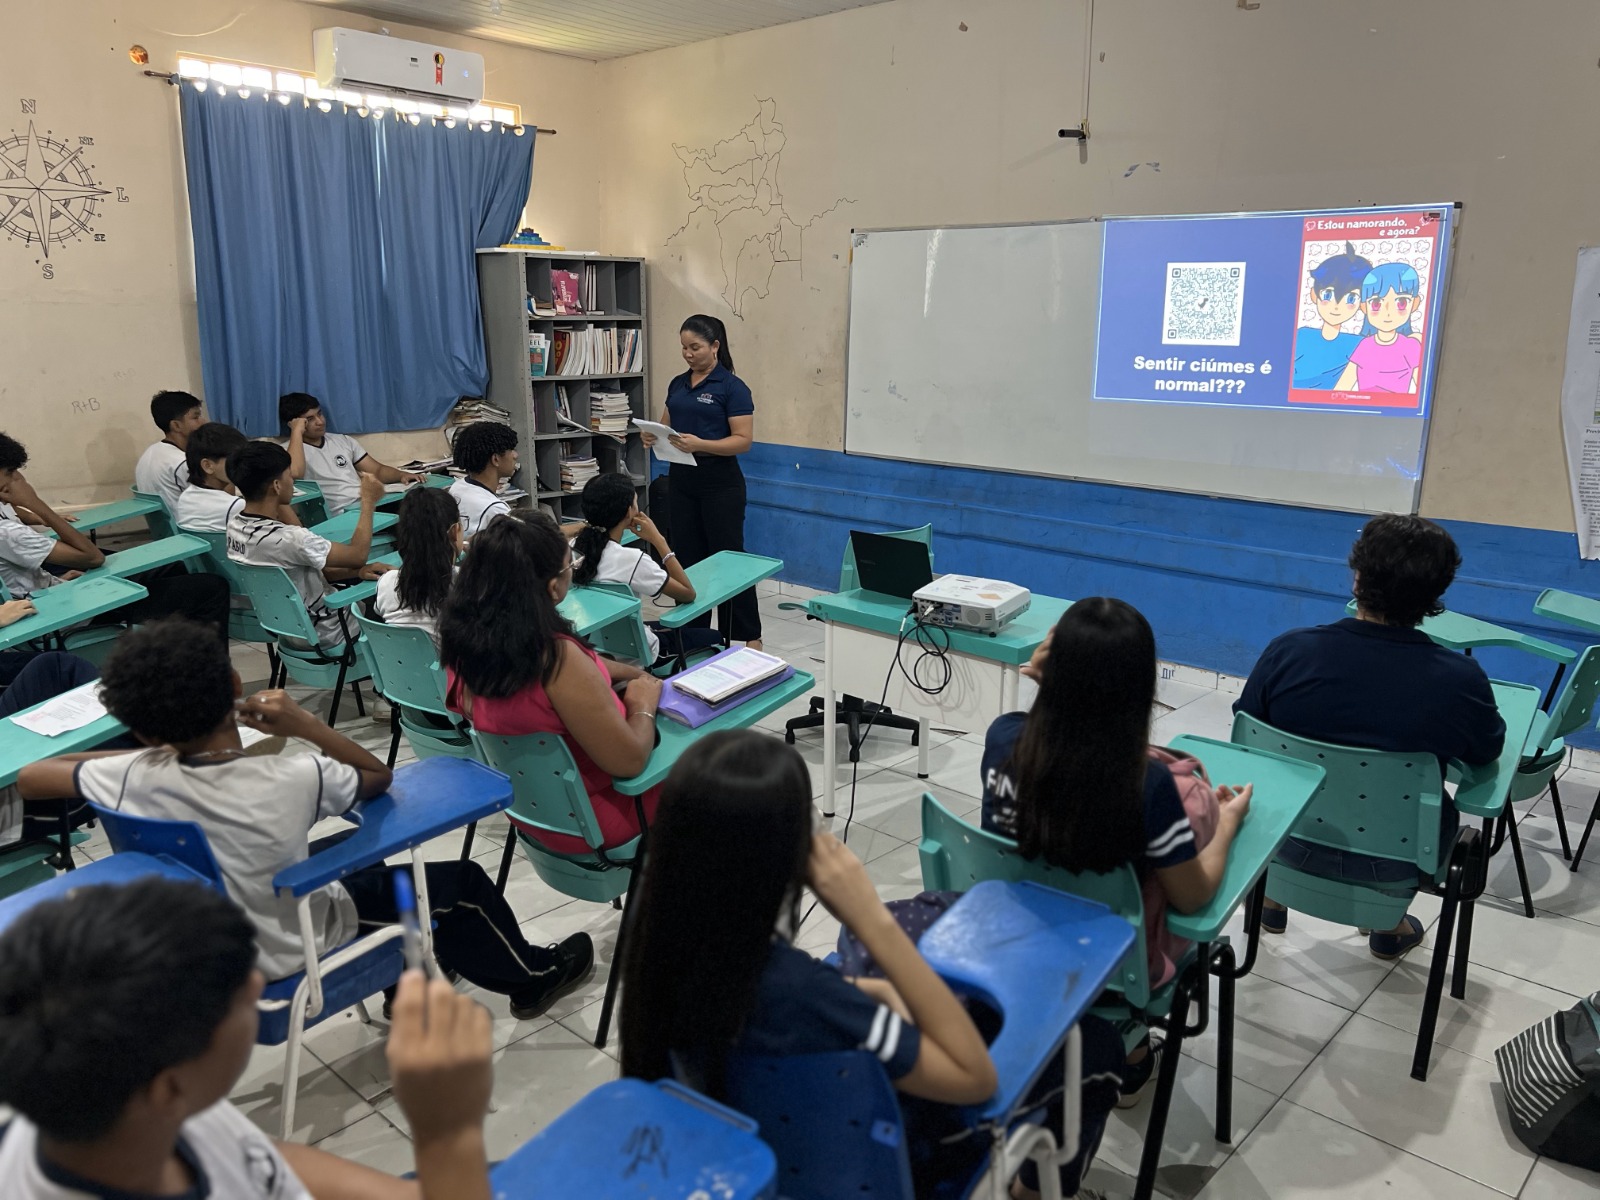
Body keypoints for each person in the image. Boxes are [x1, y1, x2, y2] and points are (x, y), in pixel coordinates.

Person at [620, 731, 1122, 1200]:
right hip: (888, 1169)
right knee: (1098, 1045)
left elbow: (804, 1011)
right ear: (785, 859)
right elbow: (975, 1079)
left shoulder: (663, 950)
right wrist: (869, 918)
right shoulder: (799, 992)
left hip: (763, 1170)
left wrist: (854, 991)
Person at [17, 619, 594, 1020]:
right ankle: (532, 978)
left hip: (201, 945)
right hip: (291, 946)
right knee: (461, 886)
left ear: (141, 729)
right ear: (236, 687)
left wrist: (152, 753)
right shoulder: (291, 778)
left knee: (357, 857)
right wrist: (306, 726)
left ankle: (408, 985)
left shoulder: (127, 776)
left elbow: (36, 775)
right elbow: (376, 778)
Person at [0, 877, 496, 1200]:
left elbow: (257, 1162)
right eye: (234, 997)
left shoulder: (116, 1103)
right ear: (168, 1088)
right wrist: (447, 1137)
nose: (257, 984)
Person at [981, 597, 1252, 1107]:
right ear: (1140, 690)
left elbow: (1043, 737)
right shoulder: (1147, 787)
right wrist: (1228, 827)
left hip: (1014, 941)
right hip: (1114, 971)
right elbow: (1193, 900)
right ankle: (1126, 1047)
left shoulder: (1003, 740)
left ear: (1047, 670)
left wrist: (1047, 682)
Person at [1235, 513, 1505, 958]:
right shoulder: (1460, 681)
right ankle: (1388, 925)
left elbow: (1247, 738)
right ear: (1436, 595)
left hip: (1282, 841)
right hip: (1396, 863)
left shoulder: (1289, 652)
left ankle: (1270, 897)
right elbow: (1486, 752)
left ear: (1357, 579)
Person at [440, 512, 663, 856]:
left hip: (533, 812)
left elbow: (564, 672)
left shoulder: (467, 644)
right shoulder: (558, 659)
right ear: (552, 586)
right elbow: (629, 761)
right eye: (569, 566)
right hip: (599, 819)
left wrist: (630, 673)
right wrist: (643, 704)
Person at [0, 432, 230, 641]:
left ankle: (173, 655)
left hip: (51, 594)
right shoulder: (7, 533)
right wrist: (37, 505)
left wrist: (52, 582)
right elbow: (93, 558)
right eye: (10, 473)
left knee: (172, 569)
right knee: (212, 588)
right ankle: (212, 674)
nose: (19, 478)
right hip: (64, 614)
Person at [639, 314, 762, 649]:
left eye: (695, 347)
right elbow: (667, 424)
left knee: (729, 560)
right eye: (683, 347)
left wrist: (701, 444)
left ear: (715, 346)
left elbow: (743, 440)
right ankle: (693, 635)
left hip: (720, 484)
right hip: (681, 482)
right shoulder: (679, 383)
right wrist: (652, 436)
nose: (688, 354)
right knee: (689, 560)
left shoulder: (732, 388)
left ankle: (748, 636)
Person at [226, 440, 388, 649]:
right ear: (276, 485)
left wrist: (359, 572)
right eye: (289, 476)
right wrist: (368, 501)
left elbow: (318, 569)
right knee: (396, 599)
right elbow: (357, 555)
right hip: (332, 630)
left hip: (288, 632)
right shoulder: (291, 539)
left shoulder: (235, 527)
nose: (293, 481)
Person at [571, 472, 721, 666]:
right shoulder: (632, 559)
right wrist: (659, 540)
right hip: (640, 654)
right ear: (628, 512)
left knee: (657, 627)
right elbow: (687, 593)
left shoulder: (574, 547)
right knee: (714, 636)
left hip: (592, 648)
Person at [280, 392, 423, 517]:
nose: (320, 421)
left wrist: (400, 475)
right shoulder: (286, 451)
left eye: (320, 414)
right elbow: (295, 472)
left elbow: (377, 470)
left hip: (366, 503)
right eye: (310, 419)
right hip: (341, 514)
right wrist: (296, 432)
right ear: (294, 423)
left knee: (423, 504)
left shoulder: (342, 440)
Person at [375, 486, 461, 643]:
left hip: (397, 666)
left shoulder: (386, 583)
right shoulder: (465, 583)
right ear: (455, 531)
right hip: (450, 666)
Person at [1333, 262, 1425, 394]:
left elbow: (1423, 392)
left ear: (1415, 304)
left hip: (1396, 411)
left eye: (1401, 303)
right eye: (1376, 303)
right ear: (1364, 307)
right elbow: (1342, 388)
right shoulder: (1365, 345)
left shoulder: (1411, 347)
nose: (1388, 313)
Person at [1293, 243, 1372, 390]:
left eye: (1351, 299)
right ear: (1313, 295)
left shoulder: (1359, 344)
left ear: (1362, 304)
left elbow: (1345, 389)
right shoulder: (1302, 336)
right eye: (1327, 295)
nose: (1337, 306)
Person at [133, 390, 205, 514]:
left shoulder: (149, 453)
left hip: (164, 530)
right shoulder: (182, 462)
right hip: (188, 528)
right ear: (176, 426)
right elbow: (215, 503)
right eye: (195, 417)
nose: (203, 422)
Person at [173, 421, 251, 534]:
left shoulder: (185, 497)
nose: (243, 464)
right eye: (235, 459)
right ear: (207, 466)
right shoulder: (235, 506)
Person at [448, 421, 518, 539]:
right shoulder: (496, 510)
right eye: (511, 450)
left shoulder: (457, 487)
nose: (516, 455)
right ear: (495, 459)